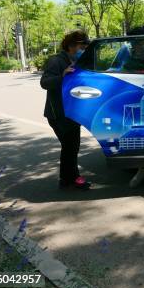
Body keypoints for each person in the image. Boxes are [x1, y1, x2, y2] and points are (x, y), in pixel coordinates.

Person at [40, 30, 91, 190]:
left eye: (85, 46)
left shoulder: (77, 61)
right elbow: (45, 82)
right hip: (59, 114)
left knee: (71, 146)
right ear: (71, 46)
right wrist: (62, 76)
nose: (83, 49)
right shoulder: (56, 61)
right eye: (81, 46)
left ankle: (65, 179)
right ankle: (73, 178)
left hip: (72, 111)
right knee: (70, 146)